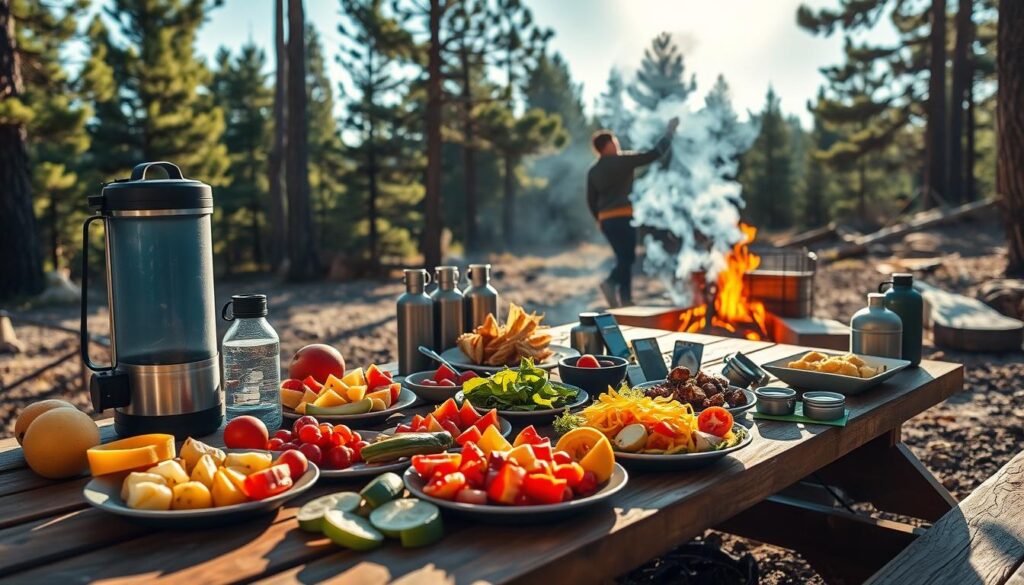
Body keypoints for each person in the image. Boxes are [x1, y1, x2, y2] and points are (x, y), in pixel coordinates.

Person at [586, 118, 679, 307]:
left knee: (623, 257)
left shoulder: (593, 171)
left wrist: (599, 219)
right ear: (606, 146)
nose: (617, 144)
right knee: (627, 258)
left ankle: (626, 300)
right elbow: (655, 154)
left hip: (606, 221)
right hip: (623, 217)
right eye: (614, 142)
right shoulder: (623, 161)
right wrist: (669, 132)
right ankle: (610, 283)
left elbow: (591, 200)